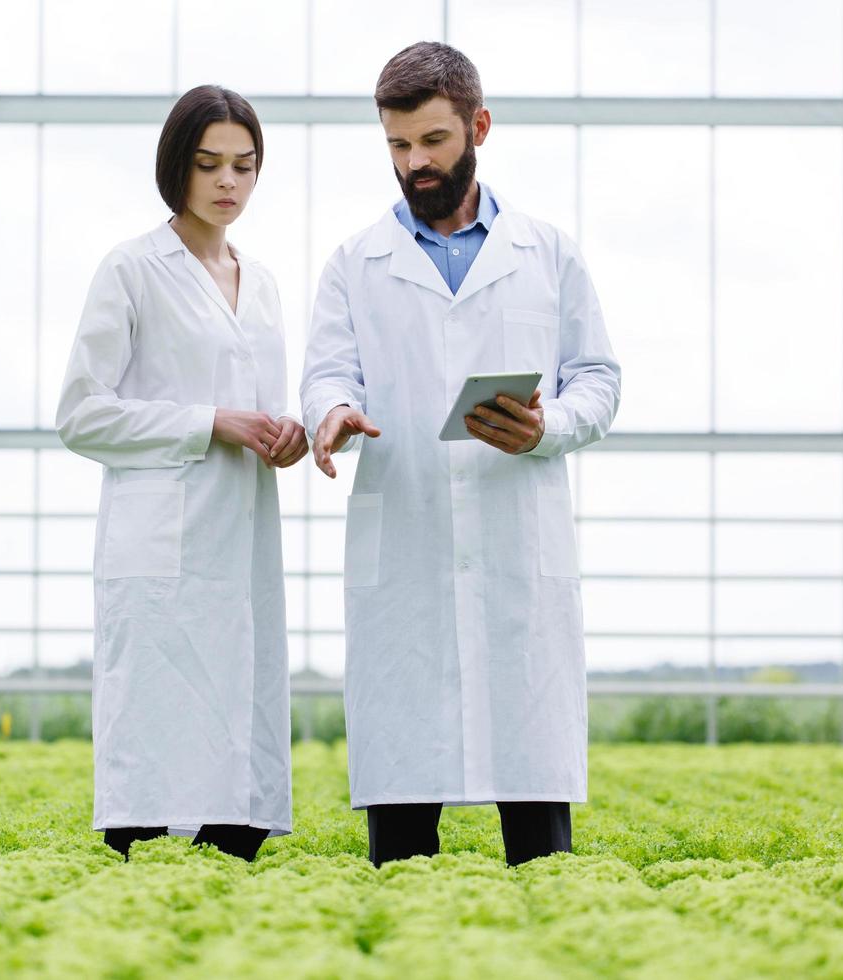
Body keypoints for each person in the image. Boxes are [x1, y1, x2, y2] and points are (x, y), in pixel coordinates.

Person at [300, 42, 621, 867]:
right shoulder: (354, 264)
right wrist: (333, 413)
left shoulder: (548, 255)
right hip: (404, 537)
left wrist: (546, 430)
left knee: (535, 796)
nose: (415, 163)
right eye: (398, 146)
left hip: (517, 539)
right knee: (404, 803)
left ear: (479, 125)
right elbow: (330, 372)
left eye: (434, 141)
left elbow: (598, 380)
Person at [57, 84, 307, 862]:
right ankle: (140, 855)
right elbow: (81, 413)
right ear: (177, 168)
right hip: (159, 535)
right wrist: (209, 421)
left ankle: (230, 844)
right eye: (209, 165)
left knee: (240, 721)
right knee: (156, 723)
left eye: (244, 165)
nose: (228, 182)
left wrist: (283, 432)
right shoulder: (133, 268)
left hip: (240, 530)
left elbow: (260, 404)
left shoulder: (258, 280)